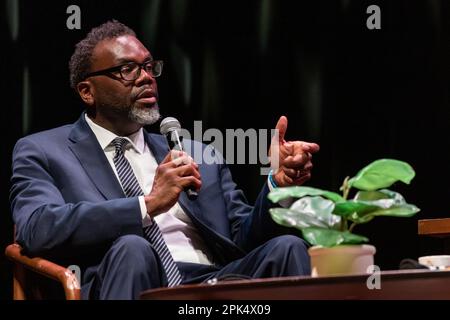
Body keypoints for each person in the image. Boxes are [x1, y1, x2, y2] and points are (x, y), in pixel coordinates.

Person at [10, 20, 320, 300]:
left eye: (148, 66)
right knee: (133, 248)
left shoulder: (199, 154)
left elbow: (241, 237)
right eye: (127, 69)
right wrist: (147, 204)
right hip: (132, 280)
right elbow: (37, 229)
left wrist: (277, 183)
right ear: (87, 92)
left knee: (287, 247)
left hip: (213, 284)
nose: (146, 78)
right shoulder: (44, 151)